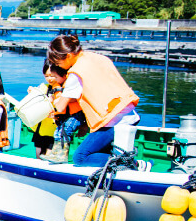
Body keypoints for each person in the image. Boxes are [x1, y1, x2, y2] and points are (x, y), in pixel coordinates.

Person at [47, 35, 141, 168]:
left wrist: (53, 97)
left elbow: (61, 107)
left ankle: (133, 163)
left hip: (113, 120)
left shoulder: (76, 73)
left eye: (57, 62)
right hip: (128, 112)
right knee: (98, 153)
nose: (57, 65)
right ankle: (120, 165)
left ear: (67, 56)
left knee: (80, 157)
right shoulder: (98, 58)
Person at [39, 63, 87, 163]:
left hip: (74, 116)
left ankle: (62, 156)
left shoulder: (68, 87)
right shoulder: (56, 88)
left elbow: (73, 100)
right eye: (47, 76)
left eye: (54, 76)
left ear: (64, 76)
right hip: (65, 116)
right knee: (58, 133)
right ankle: (55, 154)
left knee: (64, 132)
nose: (51, 79)